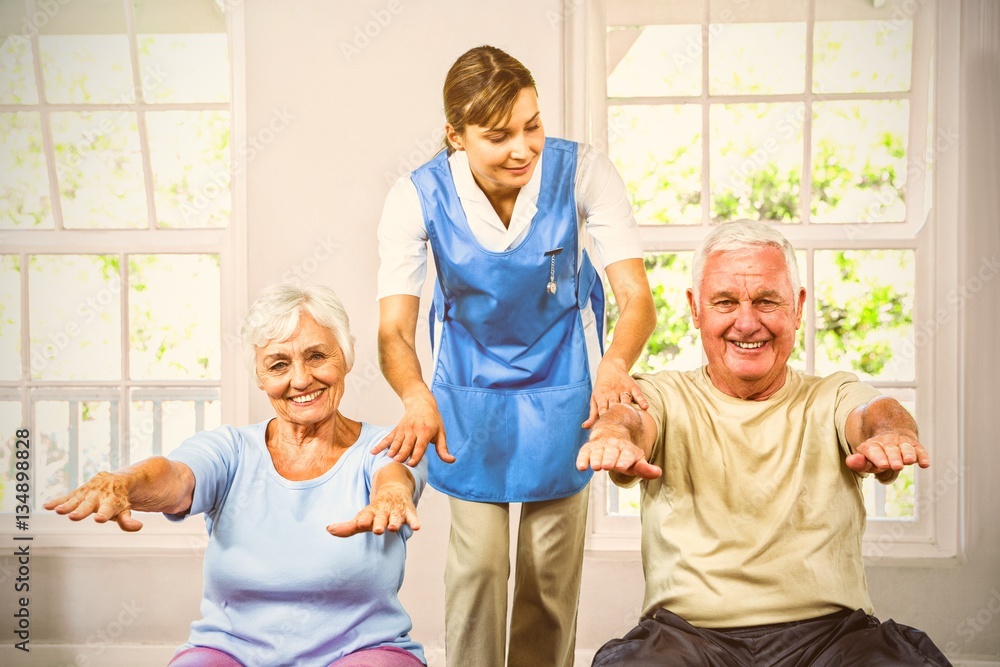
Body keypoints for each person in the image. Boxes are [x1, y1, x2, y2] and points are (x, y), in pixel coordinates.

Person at [376, 45, 656, 666]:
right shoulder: (416, 196)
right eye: (498, 135)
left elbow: (636, 295)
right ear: (456, 136)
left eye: (532, 125)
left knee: (547, 581)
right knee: (477, 571)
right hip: (470, 396)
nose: (523, 148)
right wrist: (415, 396)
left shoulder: (583, 172)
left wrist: (614, 365)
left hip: (567, 389)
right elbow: (393, 329)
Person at [578, 219, 952, 666]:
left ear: (797, 308)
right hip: (687, 638)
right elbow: (633, 417)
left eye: (766, 301)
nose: (747, 322)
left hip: (831, 637)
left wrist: (891, 432)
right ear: (696, 309)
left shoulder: (831, 394)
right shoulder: (664, 393)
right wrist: (615, 434)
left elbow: (872, 412)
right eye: (725, 302)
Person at [45, 284, 428, 667]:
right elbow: (176, 478)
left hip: (361, 652)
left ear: (345, 358)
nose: (300, 379)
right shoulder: (231, 450)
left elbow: (393, 475)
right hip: (233, 652)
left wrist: (391, 495)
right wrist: (125, 483)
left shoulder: (386, 444)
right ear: (260, 378)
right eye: (279, 364)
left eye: (316, 356)